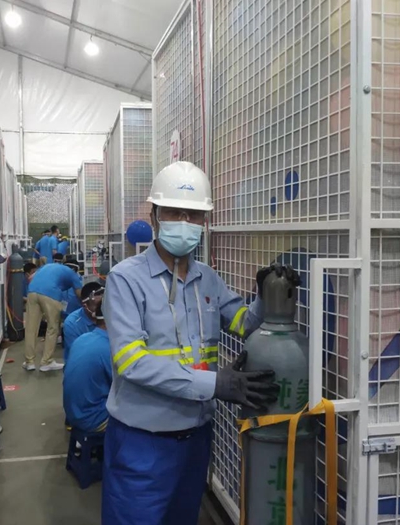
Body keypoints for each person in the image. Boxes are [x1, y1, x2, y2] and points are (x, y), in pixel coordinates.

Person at [102, 161, 279, 525]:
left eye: (194, 214)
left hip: (196, 439)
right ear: (154, 216)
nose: (184, 221)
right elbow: (131, 361)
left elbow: (244, 324)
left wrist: (266, 293)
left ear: (204, 221)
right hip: (142, 443)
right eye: (174, 212)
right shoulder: (125, 280)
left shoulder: (207, 279)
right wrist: (215, 383)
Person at [24, 258, 82, 372]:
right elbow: (79, 294)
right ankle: (46, 362)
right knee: (52, 328)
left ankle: (29, 362)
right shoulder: (73, 274)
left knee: (31, 328)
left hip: (32, 292)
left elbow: (31, 278)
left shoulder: (49, 266)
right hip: (50, 294)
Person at [62, 298, 111, 433]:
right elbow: (127, 386)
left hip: (75, 414)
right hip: (94, 419)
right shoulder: (109, 348)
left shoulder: (82, 339)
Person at [62, 282, 103, 363]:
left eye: (102, 305)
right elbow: (78, 354)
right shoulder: (72, 323)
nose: (101, 309)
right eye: (97, 306)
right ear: (85, 306)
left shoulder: (109, 316)